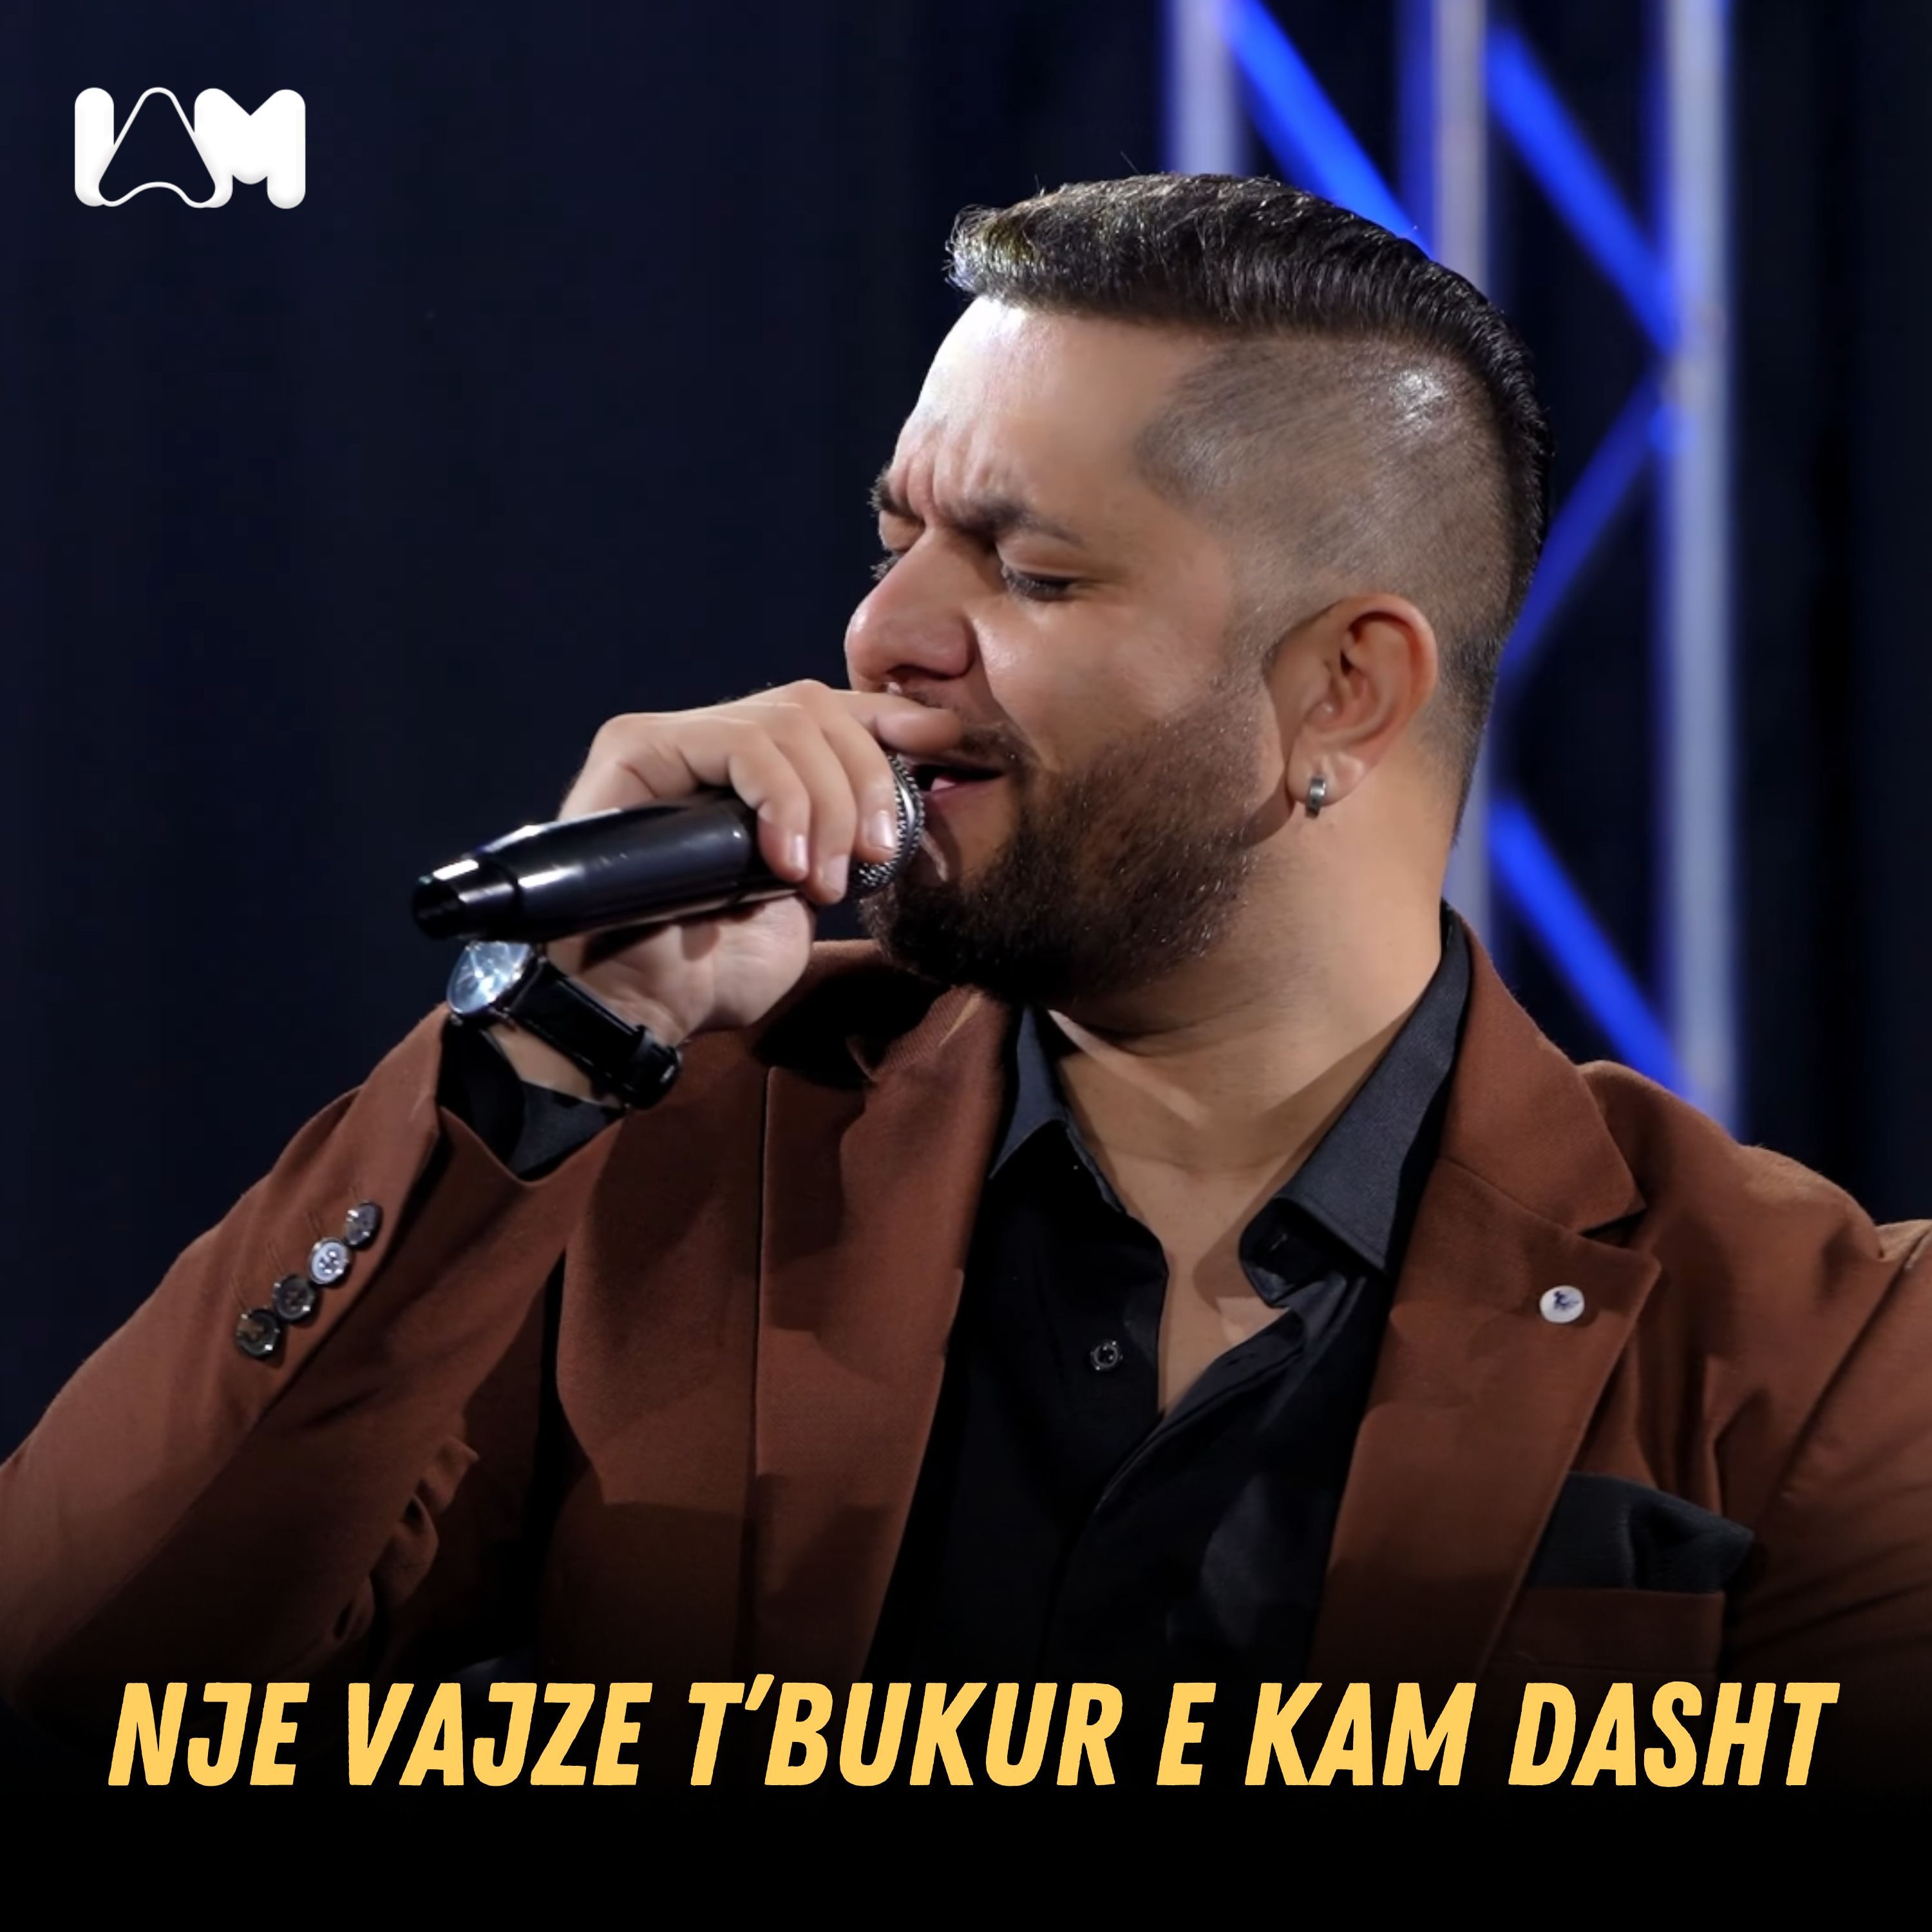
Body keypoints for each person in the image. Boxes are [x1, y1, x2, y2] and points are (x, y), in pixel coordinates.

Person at [3, 173, 1930, 1785]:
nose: (884, 633)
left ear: (1347, 687)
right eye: (898, 540)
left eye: (1032, 573)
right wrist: (549, 1049)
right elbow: (85, 1681)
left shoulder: (1812, 1341)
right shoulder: (641, 1159)